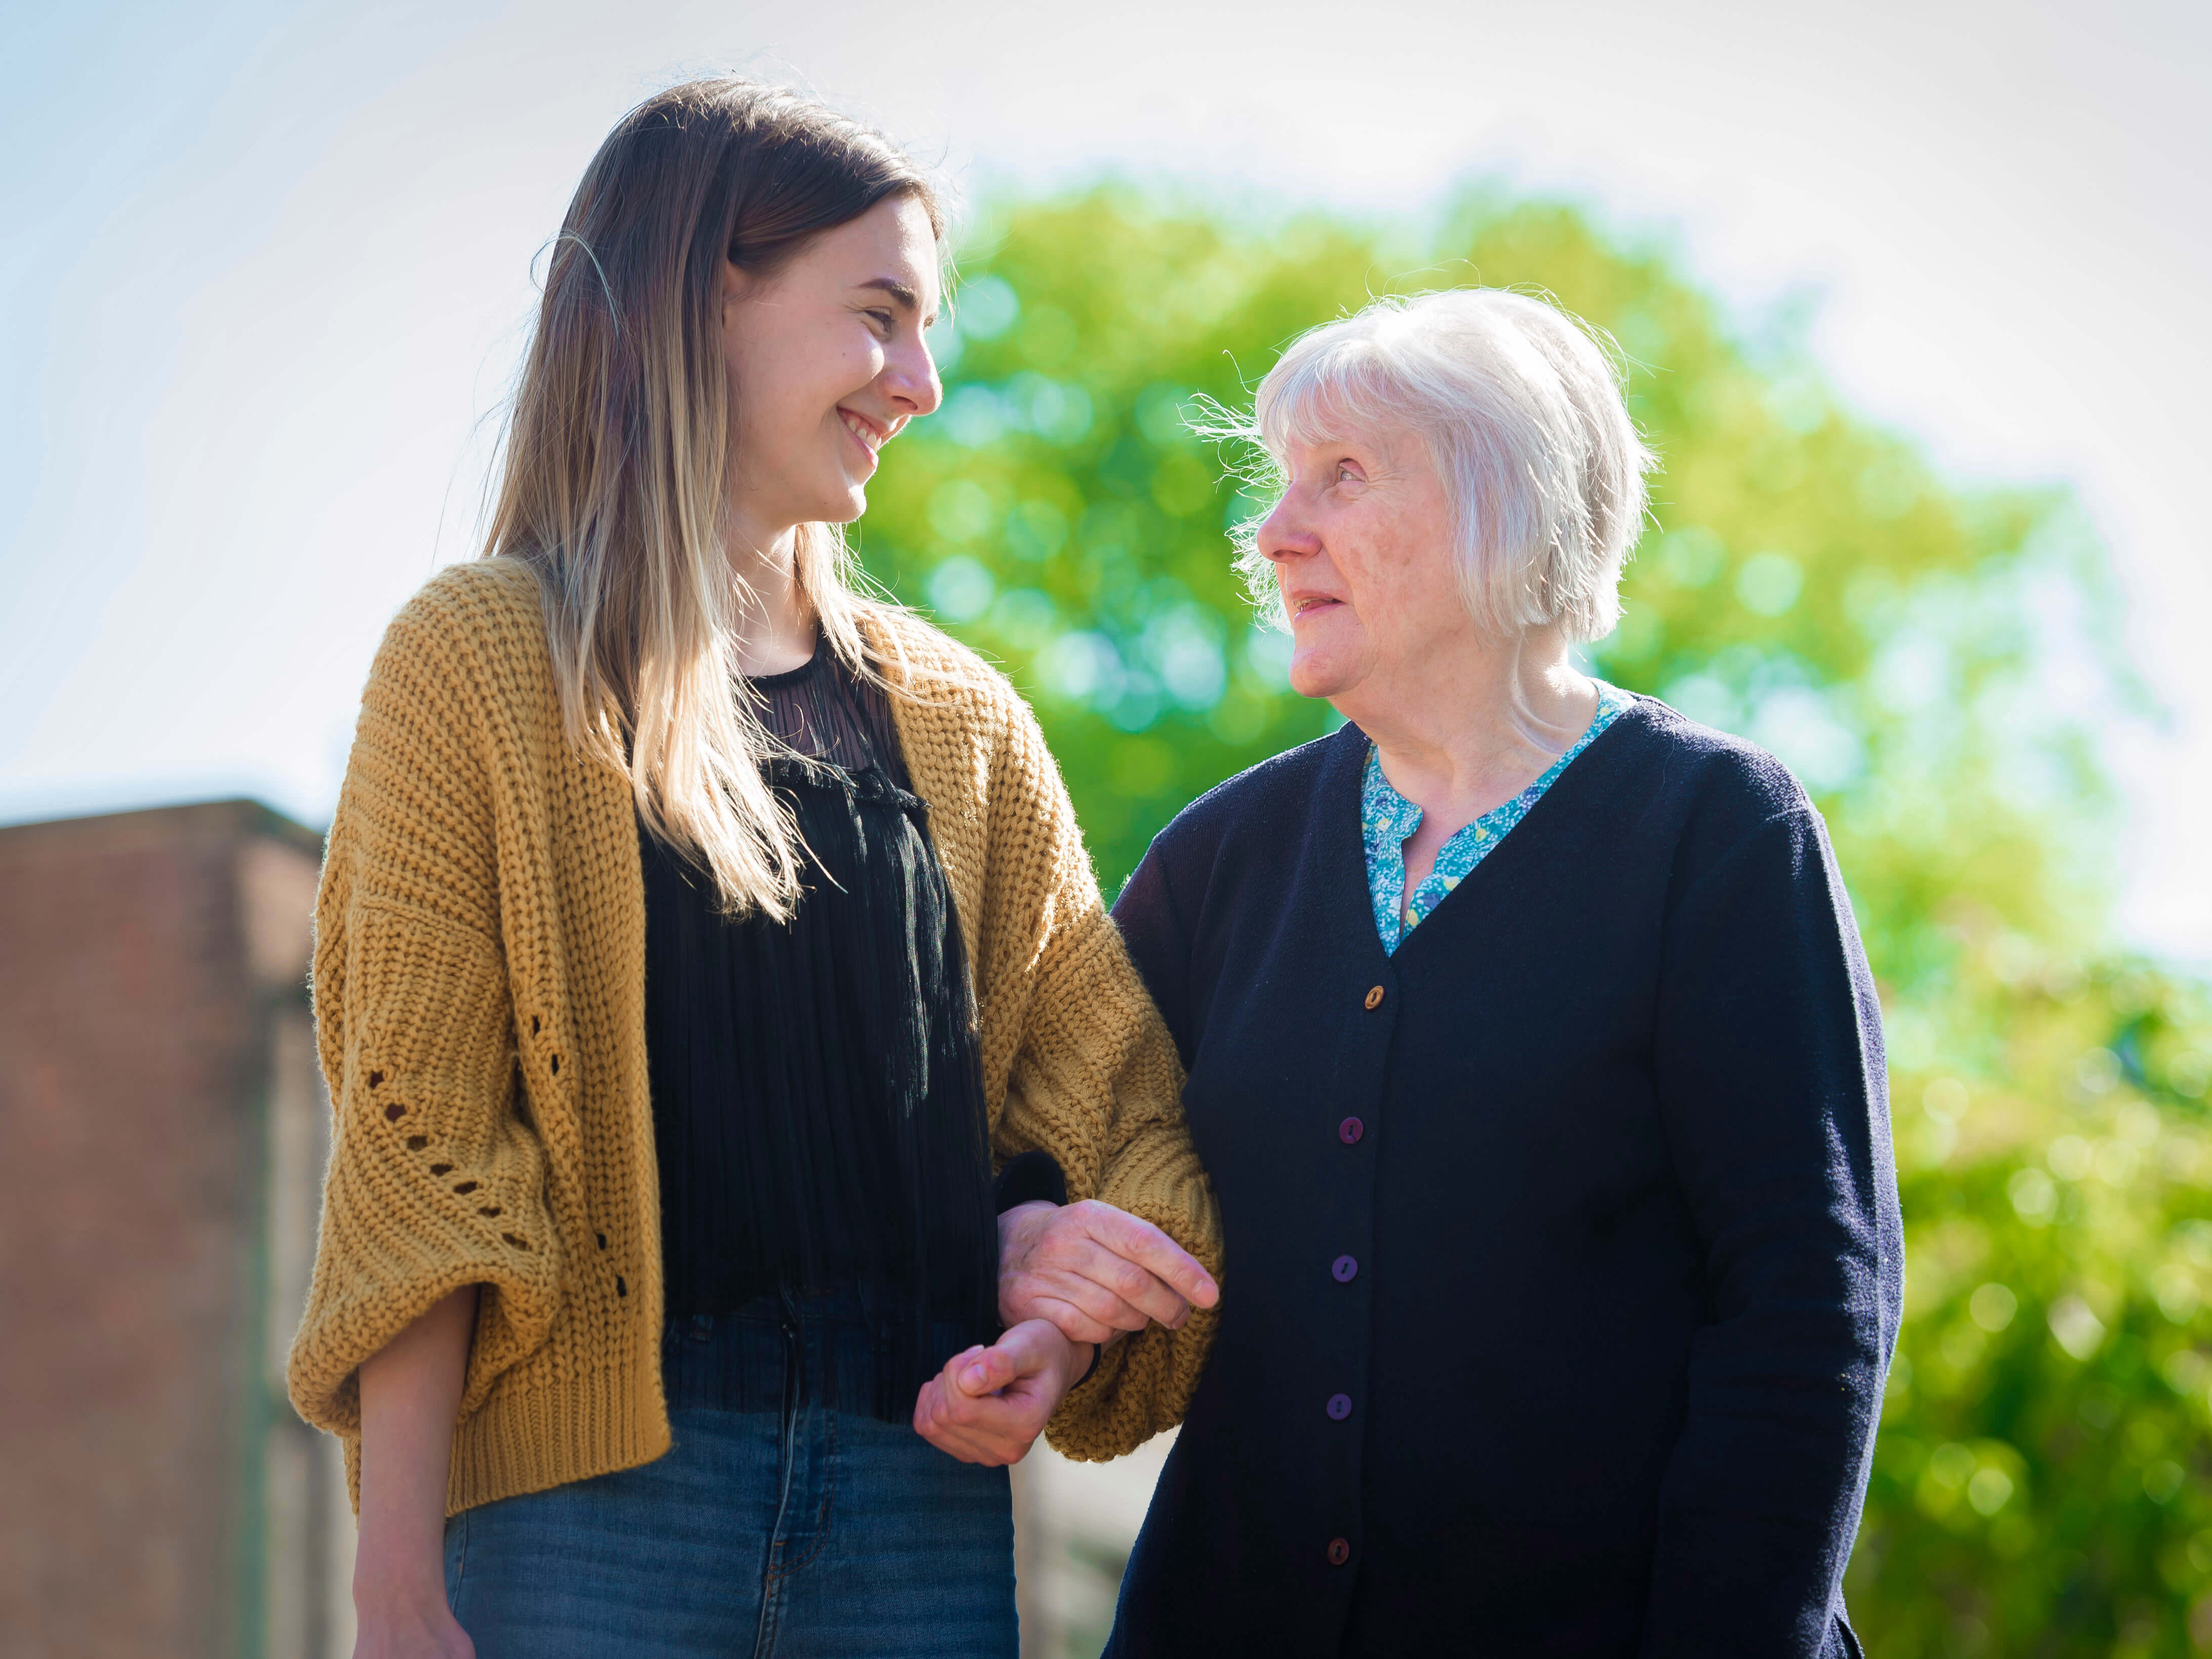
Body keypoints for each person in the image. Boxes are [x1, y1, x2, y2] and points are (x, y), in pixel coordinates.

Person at [285, 79, 1220, 1659]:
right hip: (586, 1523)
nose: (920, 383)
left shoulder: (964, 725)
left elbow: (1115, 1105)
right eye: (879, 316)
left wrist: (1050, 1339)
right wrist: (391, 1591)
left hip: (920, 1525)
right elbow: (426, 1156)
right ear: (705, 291)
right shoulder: (480, 662)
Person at [1107, 288, 1901, 1656]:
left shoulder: (1713, 835)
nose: (1275, 533)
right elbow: (1055, 1137)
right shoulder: (1217, 861)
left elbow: (1805, 1306)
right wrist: (1030, 1249)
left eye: (1342, 478)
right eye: (1279, 485)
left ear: (1508, 505)